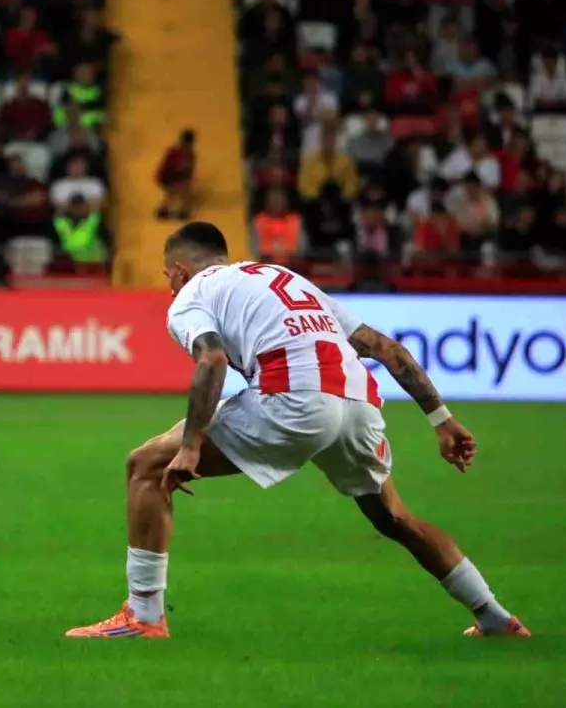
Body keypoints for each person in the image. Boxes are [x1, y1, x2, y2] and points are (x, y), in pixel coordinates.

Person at [65, 222, 528, 640]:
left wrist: (190, 448)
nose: (169, 285)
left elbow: (211, 360)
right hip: (357, 404)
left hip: (294, 399)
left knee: (145, 466)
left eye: (168, 275)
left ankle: (143, 616)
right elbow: (385, 348)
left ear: (181, 270)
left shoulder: (191, 297)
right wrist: (441, 420)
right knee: (395, 518)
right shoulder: (285, 279)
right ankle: (493, 616)